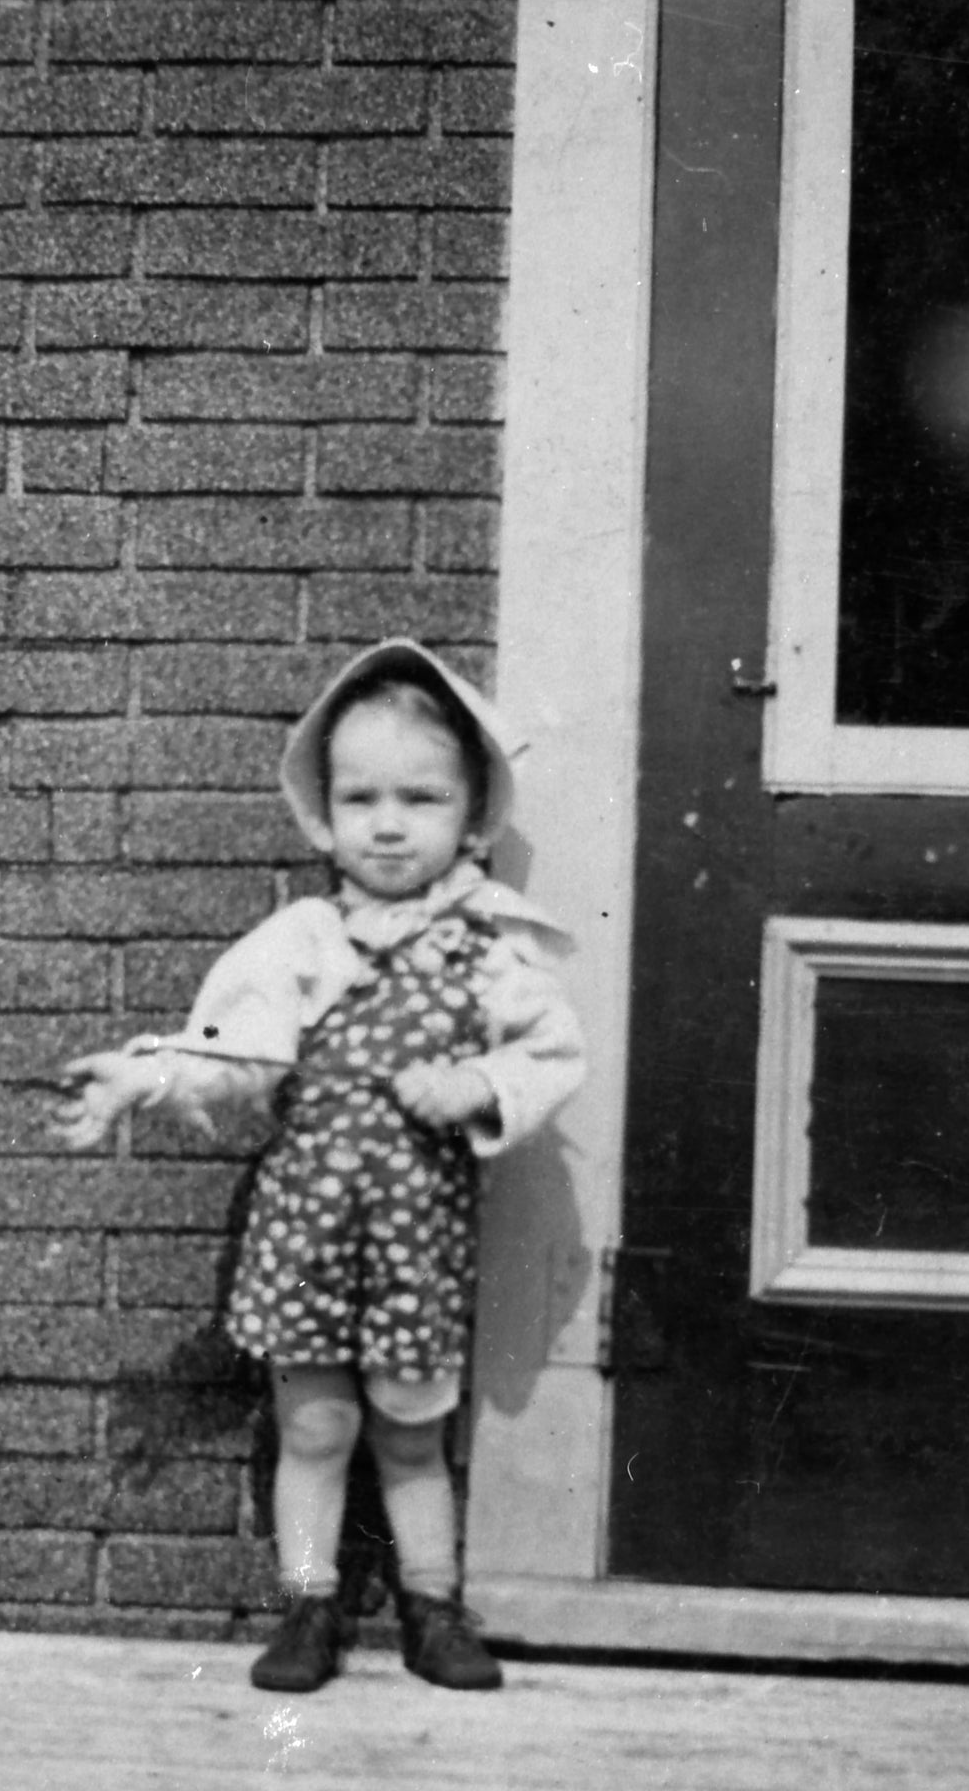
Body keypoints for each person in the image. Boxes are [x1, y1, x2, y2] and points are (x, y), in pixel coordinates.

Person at [53, 641, 584, 1695]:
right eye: (361, 798)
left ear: (471, 816)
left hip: (414, 1245)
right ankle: (309, 1602)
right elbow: (233, 1053)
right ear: (322, 812)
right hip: (304, 1236)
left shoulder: (492, 947)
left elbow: (552, 1053)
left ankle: (432, 1605)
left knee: (407, 1429)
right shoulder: (303, 938)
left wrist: (478, 1080)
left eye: (420, 798)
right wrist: (143, 1077)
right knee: (316, 1423)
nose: (388, 824)